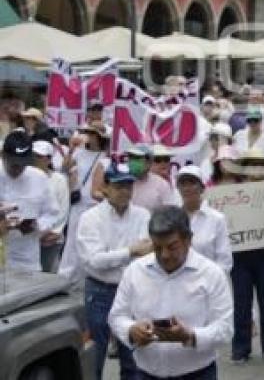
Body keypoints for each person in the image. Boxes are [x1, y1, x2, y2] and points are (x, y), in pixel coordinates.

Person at [109, 206, 234, 380]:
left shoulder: (211, 274)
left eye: (172, 246)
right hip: (145, 374)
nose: (165, 255)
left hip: (198, 374)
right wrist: (131, 330)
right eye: (157, 247)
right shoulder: (134, 271)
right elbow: (116, 316)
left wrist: (190, 335)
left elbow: (225, 329)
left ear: (188, 240)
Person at [77, 162, 152, 380]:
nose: (125, 191)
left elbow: (146, 253)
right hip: (99, 290)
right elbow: (94, 260)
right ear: (106, 188)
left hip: (132, 290)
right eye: (119, 186)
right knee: (95, 355)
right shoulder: (90, 218)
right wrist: (130, 251)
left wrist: (114, 255)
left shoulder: (142, 215)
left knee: (132, 355)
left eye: (129, 186)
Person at [228, 148, 264, 365]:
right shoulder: (233, 192)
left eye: (261, 165)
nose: (256, 169)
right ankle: (240, 349)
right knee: (241, 302)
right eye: (252, 164)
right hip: (240, 255)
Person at [0, 131, 60, 271]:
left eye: (22, 164)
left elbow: (52, 213)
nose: (18, 169)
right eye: (14, 164)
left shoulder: (39, 178)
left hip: (26, 258)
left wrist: (36, 225)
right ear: (3, 155)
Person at [59, 122, 111, 281]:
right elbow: (65, 168)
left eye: (92, 133)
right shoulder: (79, 153)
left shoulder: (105, 157)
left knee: (90, 240)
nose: (88, 135)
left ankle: (85, 276)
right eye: (87, 132)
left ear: (99, 137)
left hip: (96, 204)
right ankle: (66, 277)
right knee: (72, 240)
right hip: (79, 203)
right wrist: (71, 149)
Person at [176, 165, 232, 272]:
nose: (187, 188)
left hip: (209, 282)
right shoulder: (173, 218)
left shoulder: (217, 219)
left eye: (192, 183)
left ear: (202, 188)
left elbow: (225, 261)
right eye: (183, 184)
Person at [32, 140, 70, 273]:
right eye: (33, 156)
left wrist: (55, 231)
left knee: (47, 274)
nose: (35, 160)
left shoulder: (59, 180)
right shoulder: (26, 178)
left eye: (39, 156)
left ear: (49, 159)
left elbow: (63, 208)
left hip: (52, 237)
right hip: (30, 236)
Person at [125, 145, 180, 211]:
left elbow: (169, 213)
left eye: (166, 160)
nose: (163, 163)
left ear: (149, 162)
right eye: (131, 157)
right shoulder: (120, 182)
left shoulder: (162, 185)